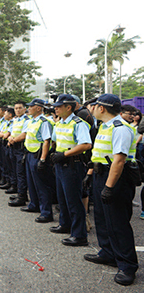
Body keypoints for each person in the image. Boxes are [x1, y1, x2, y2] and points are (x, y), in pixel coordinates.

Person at [83, 94, 138, 286]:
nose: (92, 108)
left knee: (117, 223)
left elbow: (119, 160)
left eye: (94, 105)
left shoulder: (120, 128)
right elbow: (100, 154)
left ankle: (127, 266)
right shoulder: (104, 127)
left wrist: (108, 187)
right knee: (102, 218)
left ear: (102, 108)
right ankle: (107, 253)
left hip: (115, 178)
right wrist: (90, 174)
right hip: (101, 174)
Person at [50, 94, 92, 247]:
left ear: (69, 107)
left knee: (74, 201)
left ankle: (79, 235)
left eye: (58, 106)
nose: (55, 109)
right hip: (61, 164)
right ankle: (65, 224)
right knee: (62, 198)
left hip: (72, 164)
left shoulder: (78, 123)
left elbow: (86, 145)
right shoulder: (60, 123)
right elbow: (55, 140)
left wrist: (65, 154)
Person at [20, 98, 56, 223]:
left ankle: (46, 212)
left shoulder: (44, 122)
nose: (28, 108)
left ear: (39, 108)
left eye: (31, 106)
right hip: (30, 154)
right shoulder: (31, 121)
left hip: (38, 155)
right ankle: (34, 204)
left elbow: (47, 141)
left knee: (42, 185)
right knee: (32, 183)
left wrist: (42, 159)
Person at [8, 102, 30, 206]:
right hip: (14, 147)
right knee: (16, 171)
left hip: (21, 148)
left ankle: (22, 196)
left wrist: (13, 140)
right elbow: (11, 132)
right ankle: (19, 192)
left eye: (20, 108)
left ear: (24, 109)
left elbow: (24, 134)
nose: (17, 110)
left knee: (21, 173)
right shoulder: (15, 120)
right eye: (16, 108)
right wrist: (10, 138)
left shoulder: (26, 120)